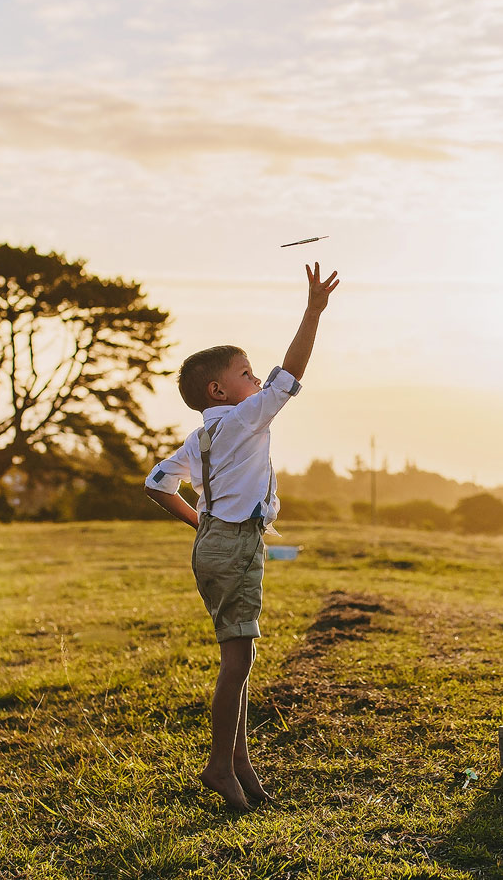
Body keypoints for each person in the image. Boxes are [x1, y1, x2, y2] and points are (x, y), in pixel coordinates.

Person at [144, 262, 340, 810]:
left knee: (240, 654)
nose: (256, 382)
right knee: (238, 663)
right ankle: (218, 767)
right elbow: (289, 374)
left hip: (215, 545)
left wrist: (199, 523)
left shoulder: (202, 434)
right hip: (233, 545)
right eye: (246, 374)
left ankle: (241, 764)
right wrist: (313, 311)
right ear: (219, 390)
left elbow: (157, 484)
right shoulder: (245, 418)